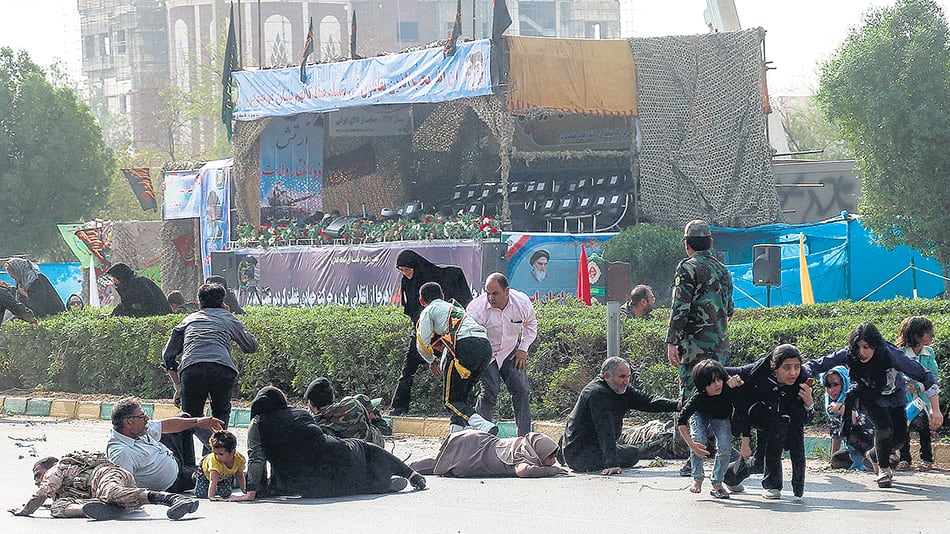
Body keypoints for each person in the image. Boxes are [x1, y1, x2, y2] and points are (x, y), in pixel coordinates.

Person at [803, 322, 942, 489]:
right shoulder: (849, 355)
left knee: (898, 439)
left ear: (875, 345)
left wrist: (936, 410)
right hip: (868, 396)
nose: (862, 353)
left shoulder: (891, 355)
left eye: (867, 347)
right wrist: (802, 373)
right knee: (884, 429)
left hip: (894, 397)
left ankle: (874, 454)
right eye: (859, 347)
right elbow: (818, 364)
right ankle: (884, 470)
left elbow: (924, 375)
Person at [232, 387, 426, 501]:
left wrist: (252, 491)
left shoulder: (257, 423)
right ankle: (409, 474)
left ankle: (380, 484)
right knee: (365, 449)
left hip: (301, 485)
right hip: (336, 459)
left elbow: (257, 458)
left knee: (341, 482)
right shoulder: (301, 414)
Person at [665, 220, 733, 476]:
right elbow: (729, 309)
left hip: (693, 347)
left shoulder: (687, 268)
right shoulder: (723, 270)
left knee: (692, 398)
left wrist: (672, 341)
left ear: (687, 245)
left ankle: (695, 456)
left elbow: (679, 308)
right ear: (711, 243)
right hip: (720, 346)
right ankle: (719, 452)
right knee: (718, 396)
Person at [162, 283, 258, 456]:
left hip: (192, 370)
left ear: (199, 303)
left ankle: (190, 465)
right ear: (223, 302)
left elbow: (168, 355)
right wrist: (231, 317)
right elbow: (251, 346)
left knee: (189, 419)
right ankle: (217, 457)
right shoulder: (228, 318)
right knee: (220, 417)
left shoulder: (188, 320)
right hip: (222, 370)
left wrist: (178, 387)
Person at [560, 356, 680, 475]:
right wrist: (612, 463)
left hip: (589, 447)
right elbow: (605, 429)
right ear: (607, 376)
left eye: (628, 377)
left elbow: (648, 401)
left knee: (631, 451)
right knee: (633, 453)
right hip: (580, 455)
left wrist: (678, 405)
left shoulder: (620, 388)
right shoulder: (596, 393)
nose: (626, 382)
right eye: (622, 377)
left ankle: (562, 455)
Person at [725, 345, 814, 500]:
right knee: (776, 428)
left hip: (786, 420)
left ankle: (729, 475)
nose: (793, 372)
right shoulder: (758, 370)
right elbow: (721, 370)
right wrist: (729, 380)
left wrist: (809, 404)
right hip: (760, 414)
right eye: (787, 367)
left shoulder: (804, 379)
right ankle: (772, 485)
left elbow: (806, 420)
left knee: (760, 463)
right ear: (774, 366)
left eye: (796, 367)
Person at [391, 249, 472, 416]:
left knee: (456, 370)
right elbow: (412, 310)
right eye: (402, 271)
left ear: (415, 266)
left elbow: (460, 302)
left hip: (446, 333)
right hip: (424, 330)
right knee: (408, 370)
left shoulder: (443, 276)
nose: (405, 274)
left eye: (407, 270)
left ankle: (460, 407)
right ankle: (399, 407)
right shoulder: (407, 282)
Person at [9, 453, 199, 520]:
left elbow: (43, 491)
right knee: (58, 507)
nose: (36, 481)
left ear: (47, 468)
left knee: (112, 492)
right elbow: (51, 499)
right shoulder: (61, 492)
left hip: (104, 476)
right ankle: (91, 509)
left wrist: (25, 510)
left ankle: (173, 499)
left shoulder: (57, 470)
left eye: (38, 475)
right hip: (95, 495)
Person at [416, 281, 497, 434]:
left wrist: (431, 360)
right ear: (442, 296)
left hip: (464, 346)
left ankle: (483, 426)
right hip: (485, 347)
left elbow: (421, 343)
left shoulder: (429, 310)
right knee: (461, 398)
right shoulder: (455, 308)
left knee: (451, 401)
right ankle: (454, 437)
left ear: (422, 301)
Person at [467, 272, 538, 436]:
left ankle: (524, 437)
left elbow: (531, 325)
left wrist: (523, 348)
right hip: (484, 352)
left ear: (507, 291)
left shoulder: (521, 303)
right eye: (487, 293)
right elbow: (468, 337)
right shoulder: (476, 309)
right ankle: (481, 438)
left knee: (521, 389)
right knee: (490, 390)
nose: (490, 298)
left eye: (495, 293)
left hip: (510, 350)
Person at [106, 397, 224, 492]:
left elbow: (165, 425)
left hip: (171, 455)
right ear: (128, 422)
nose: (147, 418)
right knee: (218, 476)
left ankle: (220, 453)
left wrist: (198, 422)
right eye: (142, 416)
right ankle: (216, 467)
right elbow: (123, 489)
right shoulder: (122, 453)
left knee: (186, 418)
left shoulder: (136, 429)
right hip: (174, 480)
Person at [676, 359, 736, 499]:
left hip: (721, 416)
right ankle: (697, 478)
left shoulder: (728, 388)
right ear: (703, 385)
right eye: (712, 382)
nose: (717, 384)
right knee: (698, 440)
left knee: (725, 447)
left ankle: (717, 482)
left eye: (719, 380)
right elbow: (681, 422)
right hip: (700, 414)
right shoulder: (697, 399)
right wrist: (692, 445)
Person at [409, 430, 568, 478]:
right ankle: (404, 468)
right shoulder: (523, 455)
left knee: (439, 462)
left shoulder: (525, 444)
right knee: (442, 464)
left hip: (477, 441)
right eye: (550, 457)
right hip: (476, 453)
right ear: (539, 452)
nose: (553, 461)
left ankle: (405, 468)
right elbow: (523, 471)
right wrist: (549, 471)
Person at [895, 316, 938, 471]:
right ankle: (905, 458)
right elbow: (896, 373)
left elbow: (933, 374)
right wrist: (905, 384)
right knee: (903, 428)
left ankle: (927, 459)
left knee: (925, 429)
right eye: (926, 332)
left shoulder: (929, 352)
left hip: (924, 398)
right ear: (915, 334)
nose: (930, 335)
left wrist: (919, 386)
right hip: (905, 398)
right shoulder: (900, 352)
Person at [305, 377, 386, 447]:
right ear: (333, 396)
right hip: (375, 449)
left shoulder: (319, 427)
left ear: (311, 403)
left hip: (353, 459)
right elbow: (369, 423)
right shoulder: (353, 404)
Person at [822, 366, 873, 470]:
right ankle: (866, 463)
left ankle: (876, 461)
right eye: (827, 386)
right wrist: (832, 461)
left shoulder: (856, 396)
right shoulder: (833, 405)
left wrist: (842, 409)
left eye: (835, 385)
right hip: (854, 450)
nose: (831, 390)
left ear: (844, 383)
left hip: (871, 443)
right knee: (837, 459)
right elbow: (836, 435)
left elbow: (856, 422)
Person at [104, 262, 172, 317]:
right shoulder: (127, 286)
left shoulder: (139, 282)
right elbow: (125, 303)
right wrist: (111, 315)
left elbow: (149, 302)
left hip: (160, 315)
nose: (113, 280)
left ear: (120, 276)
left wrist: (137, 306)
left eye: (114, 277)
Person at [194, 431, 247, 500]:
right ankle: (195, 477)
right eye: (215, 453)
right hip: (206, 473)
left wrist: (244, 490)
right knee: (201, 493)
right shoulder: (214, 462)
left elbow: (239, 475)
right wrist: (211, 496)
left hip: (224, 475)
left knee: (226, 494)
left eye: (221, 454)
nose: (218, 457)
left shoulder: (240, 460)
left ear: (233, 452)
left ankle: (215, 488)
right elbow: (213, 480)